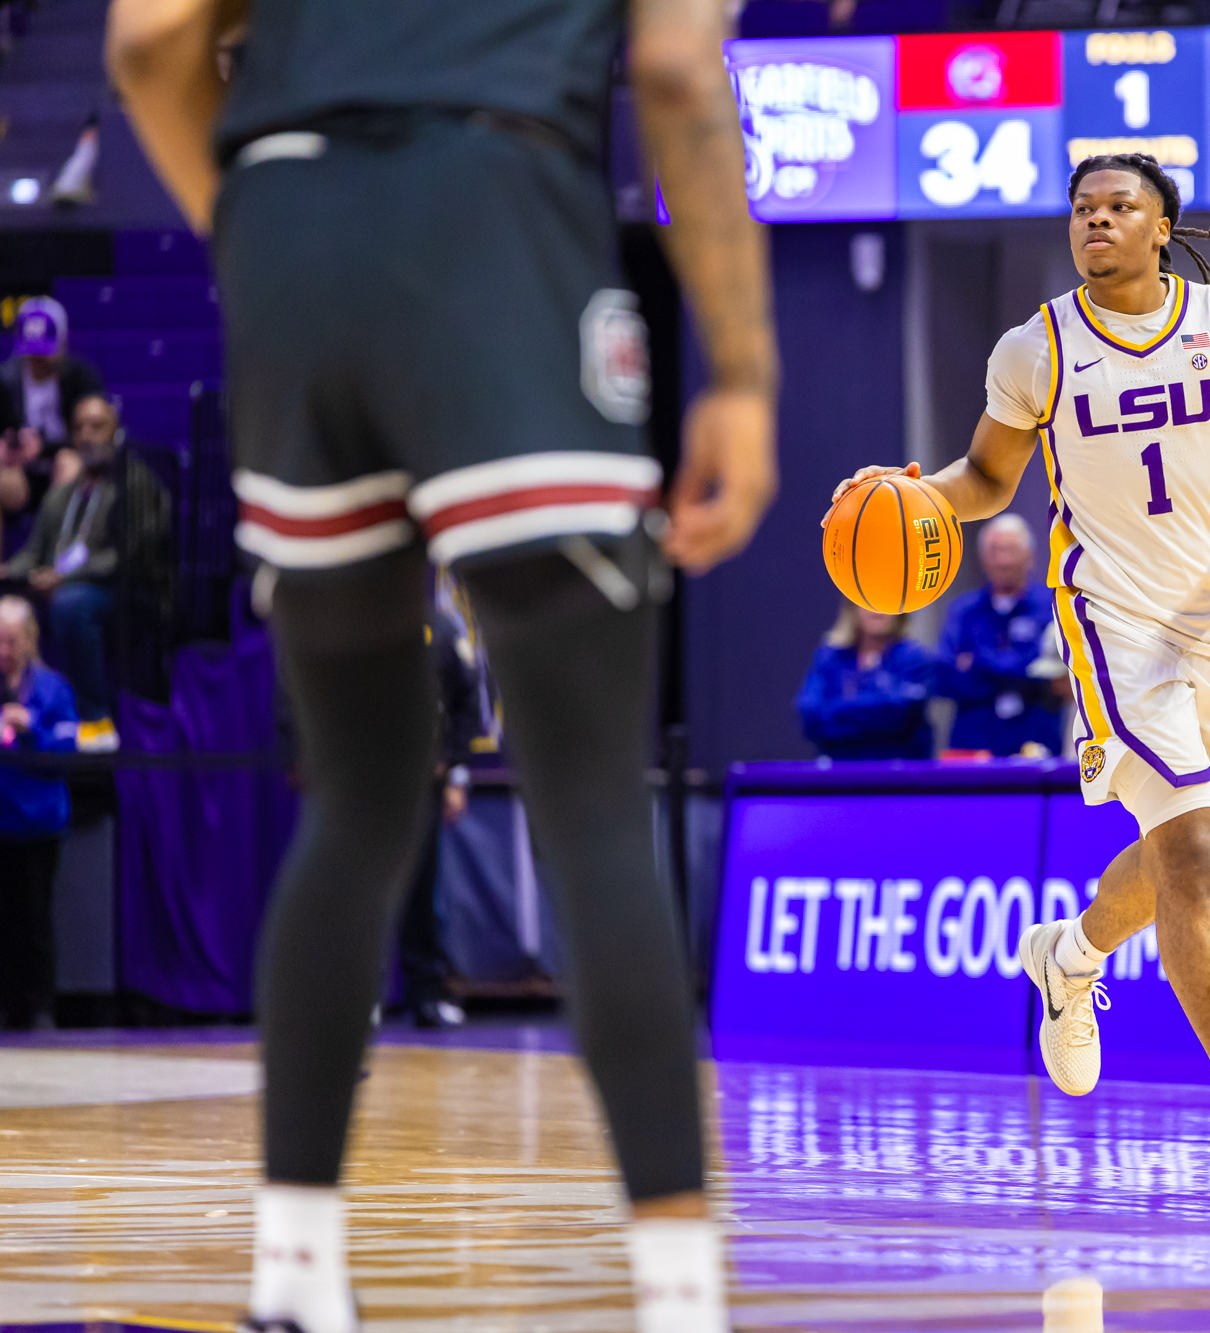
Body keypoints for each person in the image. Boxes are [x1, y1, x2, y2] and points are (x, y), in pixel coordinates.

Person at [108, 0, 778, 1327]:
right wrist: (745, 373)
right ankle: (681, 1295)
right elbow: (676, 67)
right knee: (589, 799)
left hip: (290, 224)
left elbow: (146, 41)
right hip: (492, 211)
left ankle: (294, 1281)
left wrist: (251, 233)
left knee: (356, 797)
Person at [826, 152, 1210, 1181]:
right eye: (1081, 210)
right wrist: (904, 494)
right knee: (1191, 852)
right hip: (1110, 623)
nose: (1094, 223)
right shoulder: (1036, 348)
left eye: (1118, 208)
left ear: (1161, 227)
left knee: (1169, 855)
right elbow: (985, 481)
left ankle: (1070, 955)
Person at [1, 394, 171, 751]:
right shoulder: (63, 493)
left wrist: (67, 579)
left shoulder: (134, 482)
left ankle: (96, 722)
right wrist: (8, 571)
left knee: (70, 603)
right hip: (66, 589)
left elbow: (131, 555)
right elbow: (34, 552)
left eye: (97, 425)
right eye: (79, 427)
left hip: (124, 595)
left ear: (115, 431)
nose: (87, 434)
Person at [394, 599, 486, 1029]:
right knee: (357, 893)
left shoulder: (441, 627)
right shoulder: (351, 612)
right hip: (359, 783)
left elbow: (466, 701)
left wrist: (454, 769)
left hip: (422, 783)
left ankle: (426, 996)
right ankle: (357, 1003)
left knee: (421, 890)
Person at [0, 596, 77, 1031]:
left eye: (11, 641)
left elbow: (67, 751)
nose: (4, 651)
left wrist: (32, 729)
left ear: (29, 640)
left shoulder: (52, 689)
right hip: (1, 820)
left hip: (38, 823)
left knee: (34, 918)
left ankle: (41, 1008)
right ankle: (6, 1005)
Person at [935, 513, 1061, 756]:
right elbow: (943, 679)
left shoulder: (1052, 607)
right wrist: (1023, 669)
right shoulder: (963, 611)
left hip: (1037, 743)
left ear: (1030, 557)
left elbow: (1056, 678)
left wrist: (978, 661)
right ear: (982, 558)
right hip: (972, 745)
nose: (1003, 560)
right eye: (995, 550)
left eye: (1011, 550)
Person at [1, 297, 102, 557]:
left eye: (44, 352)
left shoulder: (81, 377)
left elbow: (94, 436)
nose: (37, 360)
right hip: (21, 474)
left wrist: (45, 448)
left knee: (69, 464)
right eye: (31, 353)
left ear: (62, 343)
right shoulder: (6, 380)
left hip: (63, 468)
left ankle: (58, 570)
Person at [796, 604, 935, 760]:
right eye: (868, 599)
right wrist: (875, 714)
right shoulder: (830, 656)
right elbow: (811, 718)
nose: (877, 608)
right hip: (839, 771)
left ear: (900, 610)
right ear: (852, 607)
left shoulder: (913, 657)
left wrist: (837, 711)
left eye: (884, 599)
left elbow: (899, 717)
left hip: (897, 772)